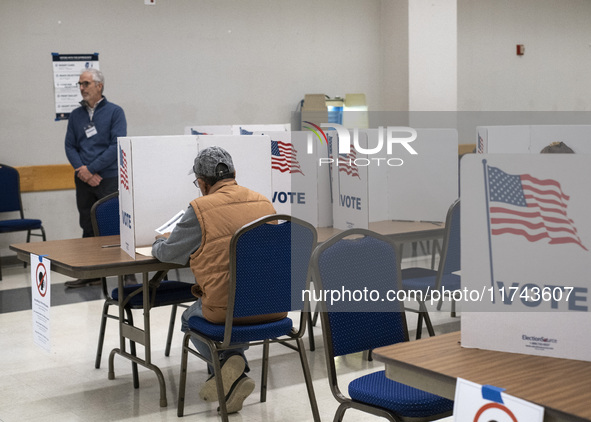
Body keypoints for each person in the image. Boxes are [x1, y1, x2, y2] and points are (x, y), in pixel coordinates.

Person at [152, 146, 282, 414]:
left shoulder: (200, 208)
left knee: (190, 317)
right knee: (225, 310)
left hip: (229, 311)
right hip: (273, 305)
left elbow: (170, 254)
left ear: (201, 183)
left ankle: (231, 361)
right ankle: (233, 384)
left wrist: (158, 243)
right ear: (234, 173)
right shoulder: (264, 202)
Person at [64, 68, 127, 288]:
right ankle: (90, 272)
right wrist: (83, 170)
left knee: (114, 224)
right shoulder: (76, 115)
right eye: (80, 84)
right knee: (87, 224)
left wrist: (91, 169)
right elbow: (70, 146)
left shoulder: (115, 112)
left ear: (99, 86)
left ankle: (127, 273)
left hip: (107, 176)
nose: (82, 88)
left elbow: (116, 145)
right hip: (83, 179)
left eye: (86, 84)